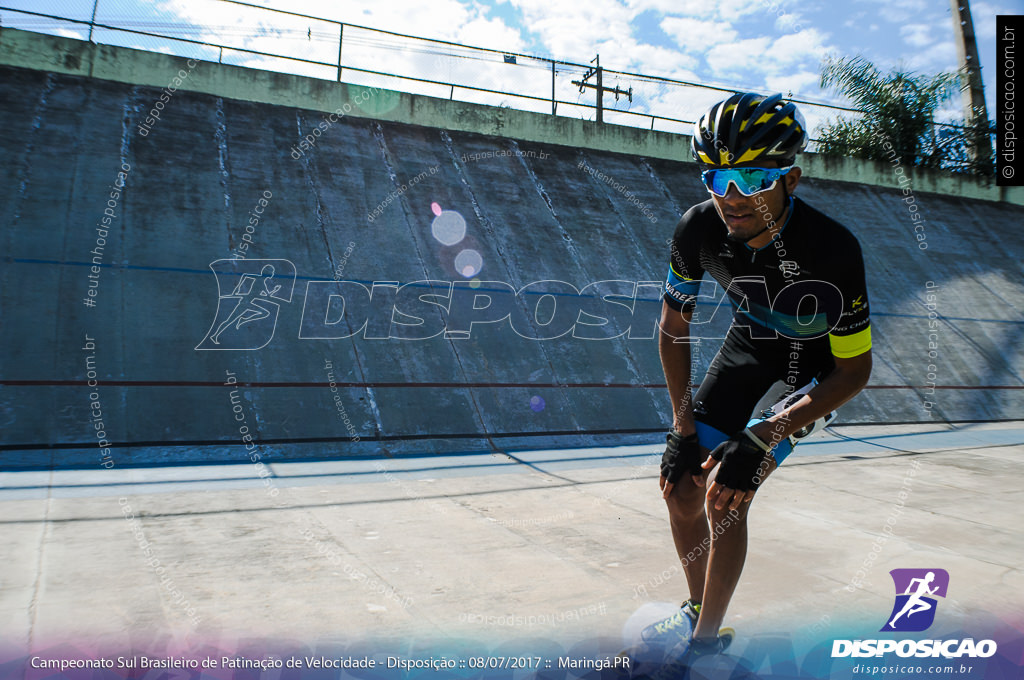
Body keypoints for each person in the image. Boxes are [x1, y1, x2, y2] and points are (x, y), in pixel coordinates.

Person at [650, 92, 873, 659]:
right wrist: (680, 428)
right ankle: (698, 609)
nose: (731, 196)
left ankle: (705, 646)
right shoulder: (697, 230)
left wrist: (763, 436)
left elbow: (854, 369)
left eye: (751, 178)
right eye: (717, 176)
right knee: (681, 488)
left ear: (790, 180)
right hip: (749, 350)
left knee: (728, 493)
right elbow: (673, 327)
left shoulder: (835, 250)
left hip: (813, 372)